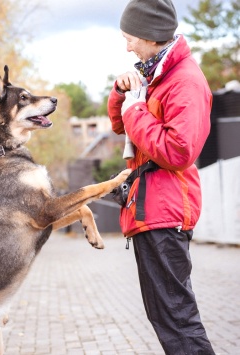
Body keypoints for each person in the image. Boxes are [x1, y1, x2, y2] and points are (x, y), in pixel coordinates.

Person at [107, 0, 215, 354]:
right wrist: (122, 94)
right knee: (167, 315)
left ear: (153, 37)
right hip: (150, 210)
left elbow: (178, 152)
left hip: (165, 212)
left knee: (177, 318)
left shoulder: (184, 81)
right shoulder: (155, 74)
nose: (127, 46)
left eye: (131, 38)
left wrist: (135, 106)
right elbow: (121, 125)